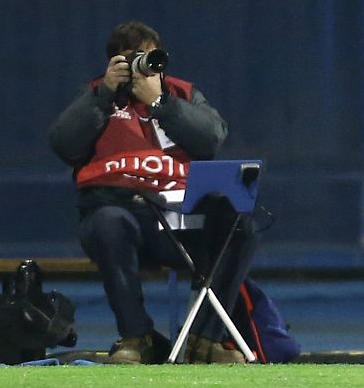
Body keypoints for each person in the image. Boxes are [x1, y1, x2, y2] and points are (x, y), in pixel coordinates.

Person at [48, 20, 254, 364]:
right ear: (113, 64)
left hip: (178, 218)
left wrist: (160, 103)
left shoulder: (182, 94)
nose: (140, 70)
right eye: (130, 62)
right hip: (119, 213)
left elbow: (211, 139)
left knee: (239, 220)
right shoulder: (96, 95)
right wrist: (104, 94)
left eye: (148, 59)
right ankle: (136, 338)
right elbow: (63, 143)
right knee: (110, 223)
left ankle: (204, 340)